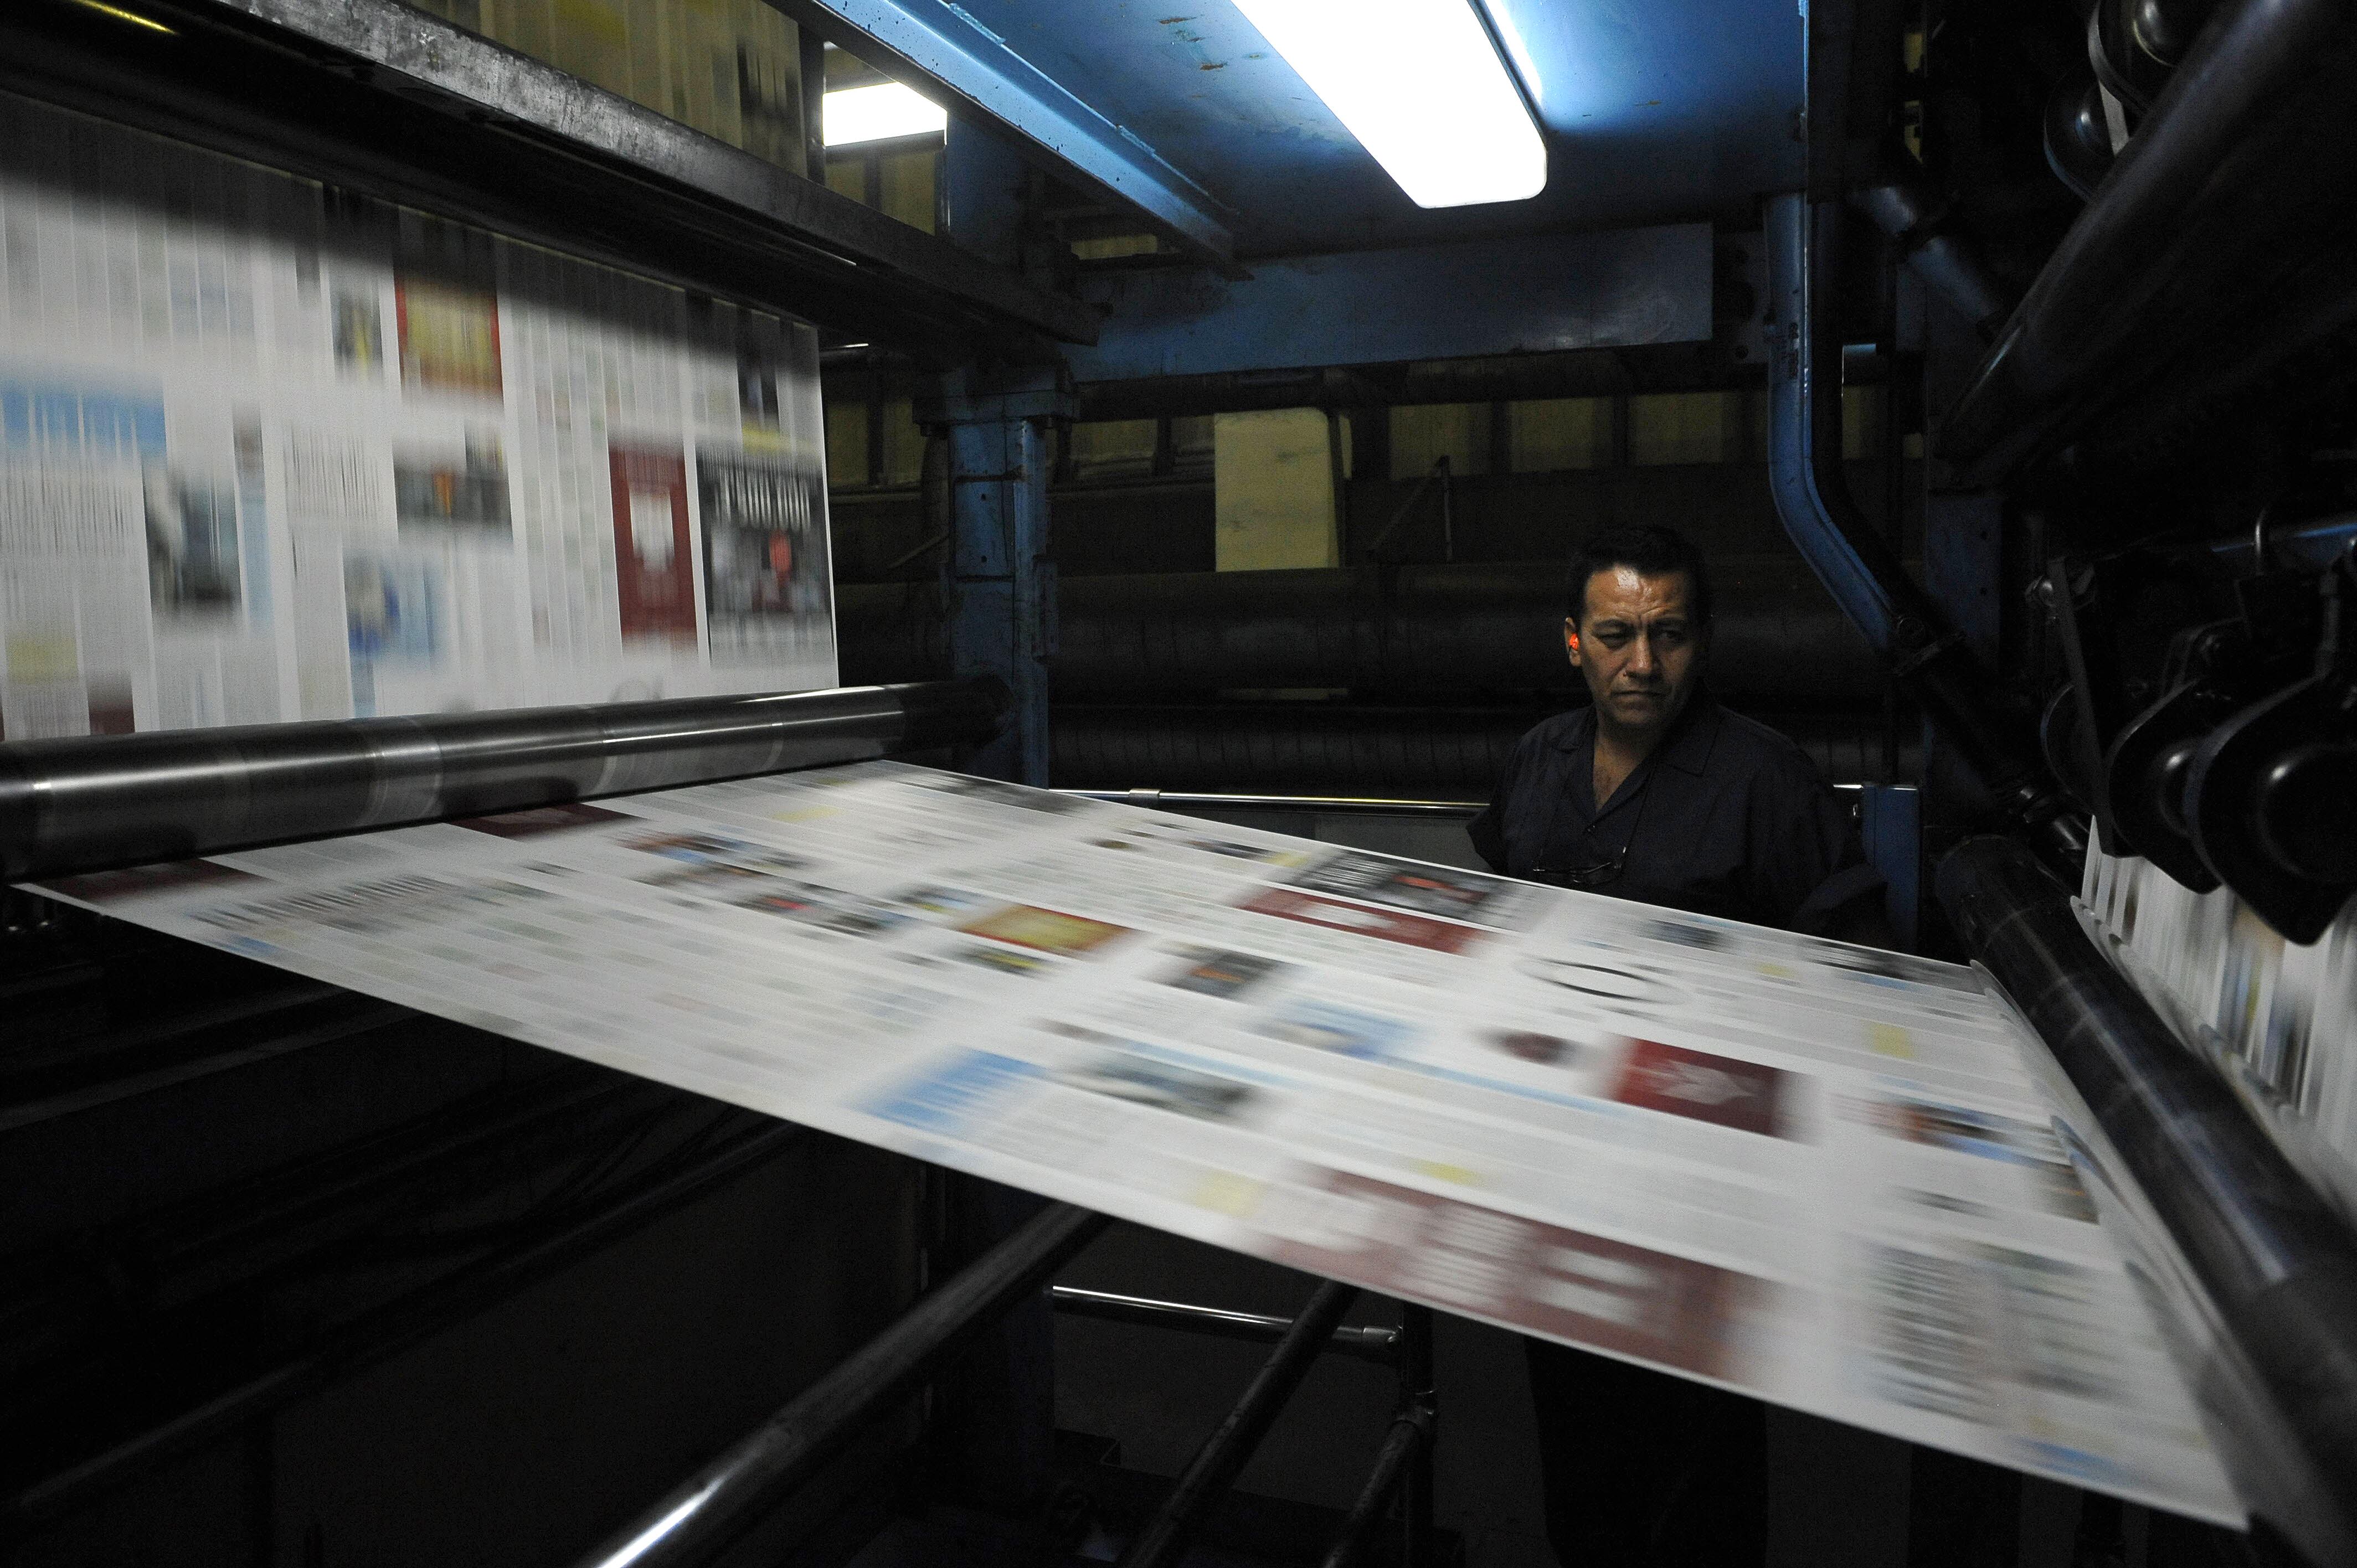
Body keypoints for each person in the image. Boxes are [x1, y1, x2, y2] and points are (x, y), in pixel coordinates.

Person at [1467, 522, 1888, 1566]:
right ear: (1574, 641)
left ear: (1706, 640)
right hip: (1561, 1178)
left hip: (1705, 1202)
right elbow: (1494, 916)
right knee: (1579, 1459)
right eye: (1616, 635)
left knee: (1698, 1489)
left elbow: (1863, 987)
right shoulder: (1539, 763)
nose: (1642, 664)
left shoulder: (1765, 783)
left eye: (1669, 635)